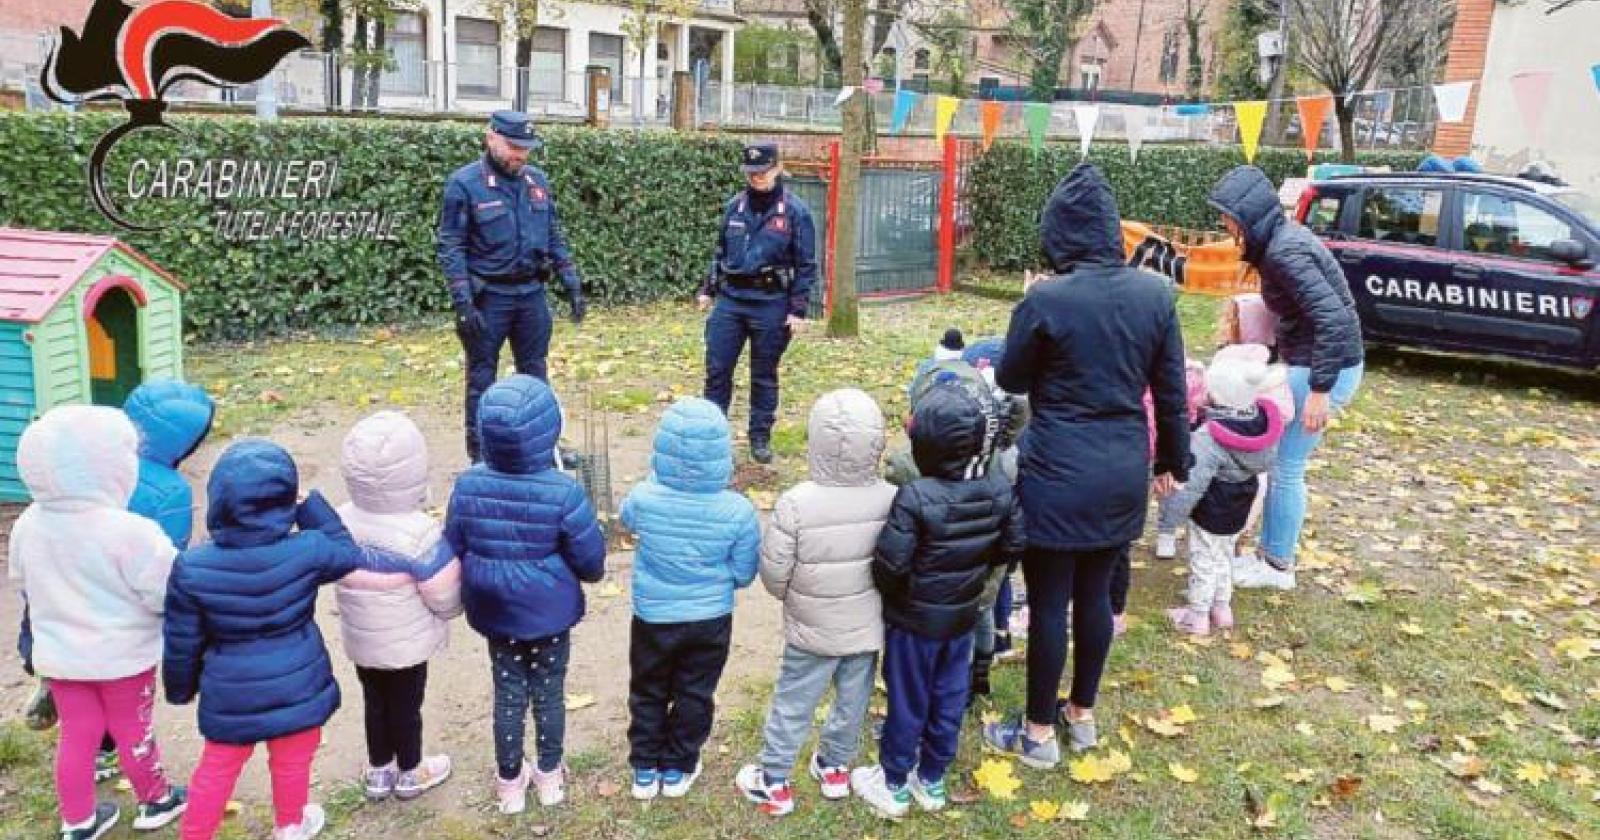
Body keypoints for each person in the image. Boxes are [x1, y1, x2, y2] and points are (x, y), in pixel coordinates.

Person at [983, 163, 1190, 769]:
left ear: (1061, 233)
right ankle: (1082, 715)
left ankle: (1040, 734)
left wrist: (1028, 310)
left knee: (1049, 600)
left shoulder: (1047, 298)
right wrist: (1172, 459)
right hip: (1122, 467)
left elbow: (1011, 377)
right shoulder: (1156, 294)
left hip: (1057, 469)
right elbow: (1172, 392)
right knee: (1097, 592)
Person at [164, 441, 373, 840]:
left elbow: (181, 639)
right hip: (298, 683)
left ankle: (195, 833)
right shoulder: (308, 549)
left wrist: (181, 689)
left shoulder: (192, 567)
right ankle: (290, 824)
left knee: (217, 768)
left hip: (231, 693)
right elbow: (347, 553)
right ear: (284, 503)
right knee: (293, 760)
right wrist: (308, 504)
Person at [16, 378, 216, 775]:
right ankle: (108, 752)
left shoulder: (75, 464)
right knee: (112, 685)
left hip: (52, 595)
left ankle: (51, 680)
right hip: (115, 610)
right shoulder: (170, 491)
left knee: (62, 659)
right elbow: (166, 564)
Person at [10, 406, 188, 839]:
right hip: (124, 657)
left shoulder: (28, 524)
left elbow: (22, 582)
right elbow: (167, 591)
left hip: (61, 658)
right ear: (113, 469)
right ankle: (155, 799)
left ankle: (78, 822)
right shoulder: (131, 532)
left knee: (77, 734)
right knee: (133, 728)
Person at [850, 380, 1026, 819]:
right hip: (963, 618)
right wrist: (976, 573)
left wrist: (897, 593)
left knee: (908, 699)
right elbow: (1013, 544)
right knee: (949, 695)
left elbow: (890, 565)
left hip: (914, 624)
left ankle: (893, 781)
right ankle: (931, 778)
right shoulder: (999, 488)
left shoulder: (916, 496)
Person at [443, 376, 607, 814]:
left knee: (509, 693)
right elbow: (591, 561)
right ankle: (550, 778)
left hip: (495, 610)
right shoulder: (564, 490)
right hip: (549, 613)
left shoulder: (467, 485)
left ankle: (510, 784)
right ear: (549, 428)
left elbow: (453, 544)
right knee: (549, 692)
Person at [734, 389, 896, 816]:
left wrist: (791, 597)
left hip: (811, 627)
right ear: (877, 442)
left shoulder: (796, 503)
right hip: (865, 628)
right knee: (853, 699)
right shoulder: (891, 498)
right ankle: (836, 768)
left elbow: (774, 572)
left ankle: (774, 779)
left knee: (794, 701)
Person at [1207, 165, 1364, 591]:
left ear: (1247, 215)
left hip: (1324, 368)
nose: (1224, 225)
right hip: (1310, 361)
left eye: (1227, 217)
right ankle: (1269, 555)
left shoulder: (1284, 252)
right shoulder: (1280, 243)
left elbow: (1332, 318)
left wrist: (1319, 391)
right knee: (1281, 464)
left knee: (1286, 465)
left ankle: (1276, 565)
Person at [620, 397, 760, 800]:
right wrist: (720, 582)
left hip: (653, 616)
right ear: (721, 454)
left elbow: (627, 520)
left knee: (648, 688)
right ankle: (679, 766)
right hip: (710, 618)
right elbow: (744, 573)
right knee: (694, 691)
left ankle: (644, 768)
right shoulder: (739, 512)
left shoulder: (643, 497)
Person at [437, 110, 588, 463]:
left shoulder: (537, 181)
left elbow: (553, 234)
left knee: (535, 374)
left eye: (526, 148)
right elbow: (451, 245)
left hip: (531, 294)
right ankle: (480, 457)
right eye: (513, 146)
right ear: (491, 137)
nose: (520, 155)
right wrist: (463, 302)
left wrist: (570, 280)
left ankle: (544, 450)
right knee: (481, 380)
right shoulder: (464, 184)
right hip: (489, 297)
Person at [334, 412, 464, 801]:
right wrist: (449, 612)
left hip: (361, 640)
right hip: (406, 644)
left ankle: (378, 770)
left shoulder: (339, 522)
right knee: (407, 706)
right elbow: (444, 594)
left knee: (374, 702)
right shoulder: (420, 533)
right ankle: (410, 770)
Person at [698, 142, 818, 464]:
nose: (756, 179)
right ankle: (713, 433)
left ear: (778, 168)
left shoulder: (795, 212)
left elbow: (806, 265)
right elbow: (720, 252)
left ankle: (760, 436)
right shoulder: (734, 208)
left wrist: (798, 310)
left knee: (764, 373)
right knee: (717, 368)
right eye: (751, 174)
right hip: (732, 301)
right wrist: (708, 289)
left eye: (762, 173)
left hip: (771, 302)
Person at [1160, 350, 1286, 636]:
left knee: (1203, 557)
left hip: (1213, 506)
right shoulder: (1263, 424)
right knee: (1224, 555)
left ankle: (1197, 615)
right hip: (1241, 501)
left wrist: (1171, 516)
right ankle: (1222, 607)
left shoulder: (1210, 437)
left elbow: (1192, 482)